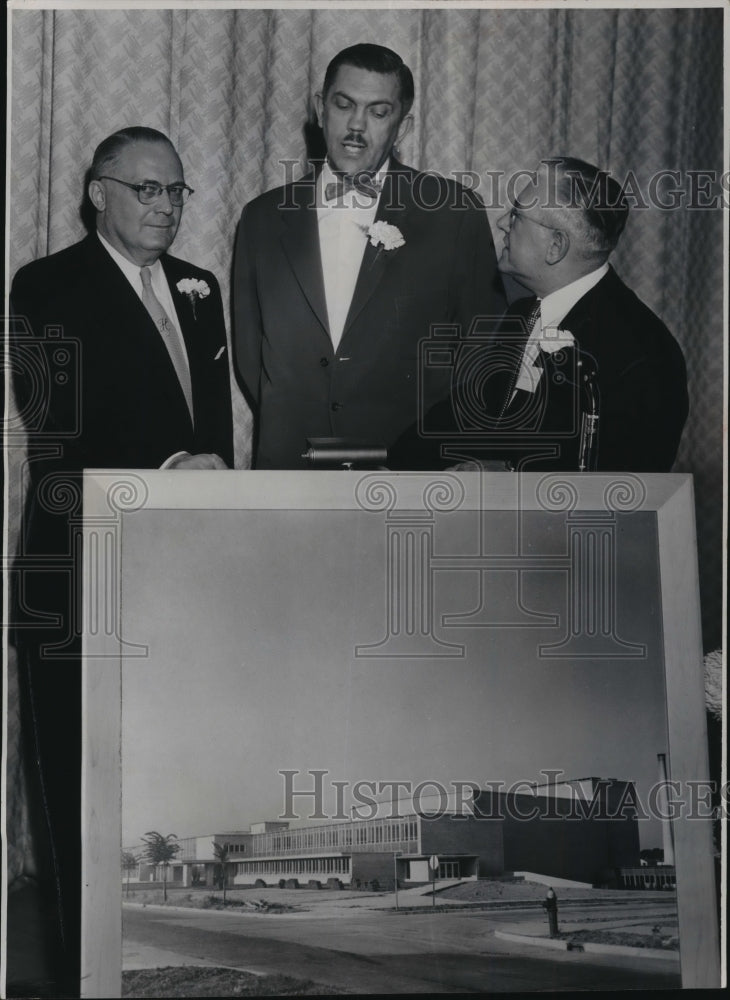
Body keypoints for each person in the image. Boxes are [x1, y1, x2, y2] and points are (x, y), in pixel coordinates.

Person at [9, 125, 233, 994]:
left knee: (167, 777)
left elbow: (213, 438)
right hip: (76, 571)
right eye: (147, 189)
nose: (166, 206)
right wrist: (172, 469)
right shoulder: (44, 286)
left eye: (177, 191)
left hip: (179, 580)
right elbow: (57, 437)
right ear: (98, 192)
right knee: (75, 786)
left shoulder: (201, 289)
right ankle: (80, 974)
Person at [233, 43, 504, 469]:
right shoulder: (262, 218)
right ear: (320, 108)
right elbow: (251, 355)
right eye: (344, 105)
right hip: (290, 471)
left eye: (378, 112)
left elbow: (484, 349)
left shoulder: (453, 213)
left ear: (404, 125)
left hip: (408, 469)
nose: (356, 126)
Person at [390, 157, 689, 472]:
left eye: (517, 214)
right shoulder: (522, 314)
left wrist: (504, 478)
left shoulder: (644, 354)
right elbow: (465, 415)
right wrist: (390, 468)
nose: (503, 222)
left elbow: (618, 491)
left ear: (555, 246)